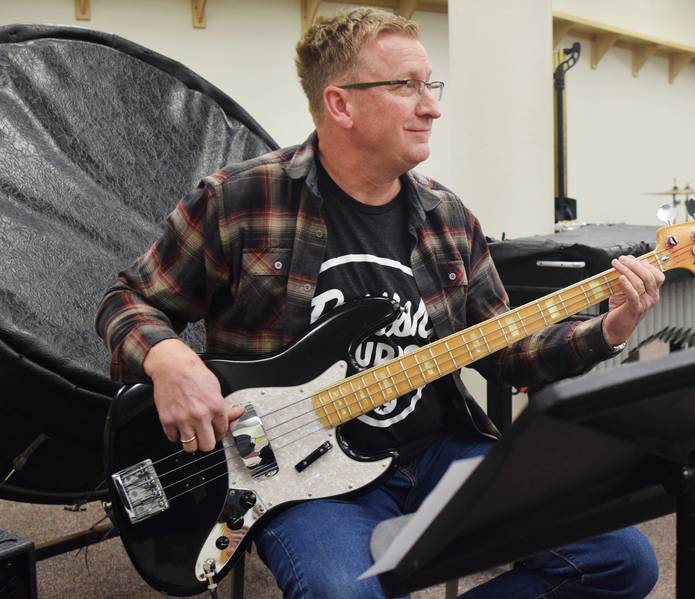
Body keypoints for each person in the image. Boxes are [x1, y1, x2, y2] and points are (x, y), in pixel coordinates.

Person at [96, 7, 664, 598]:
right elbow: (127, 299)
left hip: (439, 450)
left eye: (430, 84)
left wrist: (611, 327)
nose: (432, 106)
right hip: (300, 479)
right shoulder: (240, 200)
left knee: (619, 559)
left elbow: (508, 350)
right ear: (340, 104)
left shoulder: (448, 218)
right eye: (405, 86)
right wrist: (170, 361)